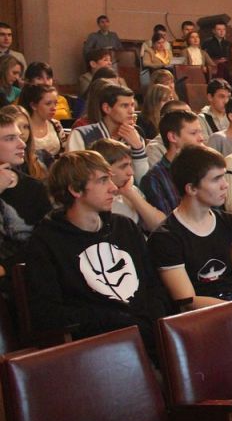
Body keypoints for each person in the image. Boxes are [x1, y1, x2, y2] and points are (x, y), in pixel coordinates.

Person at [25, 150, 169, 355]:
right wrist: (116, 320)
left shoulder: (124, 227)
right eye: (102, 181)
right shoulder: (46, 241)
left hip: (149, 336)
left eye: (110, 179)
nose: (113, 188)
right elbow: (48, 313)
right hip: (99, 349)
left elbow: (153, 284)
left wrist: (154, 321)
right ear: (75, 189)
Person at [149, 145, 232, 319]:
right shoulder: (165, 237)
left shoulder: (228, 222)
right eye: (216, 179)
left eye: (224, 176)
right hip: (205, 319)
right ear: (191, 188)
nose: (225, 185)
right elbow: (188, 300)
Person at [0, 112, 50, 276]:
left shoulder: (33, 188)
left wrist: (5, 268)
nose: (22, 144)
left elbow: (46, 241)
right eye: (10, 139)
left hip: (22, 275)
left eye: (19, 137)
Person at [67, 84, 149, 181]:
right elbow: (75, 176)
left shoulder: (135, 135)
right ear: (106, 108)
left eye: (132, 105)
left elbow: (143, 180)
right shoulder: (81, 135)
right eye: (124, 106)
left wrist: (138, 148)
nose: (131, 111)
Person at [89, 139, 166, 233]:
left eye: (130, 165)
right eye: (123, 166)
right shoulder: (95, 200)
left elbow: (162, 227)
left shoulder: (130, 190)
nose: (131, 172)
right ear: (104, 170)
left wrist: (130, 193)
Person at [140, 110, 206, 214]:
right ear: (173, 137)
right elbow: (167, 220)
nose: (201, 138)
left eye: (200, 132)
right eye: (193, 133)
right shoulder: (154, 178)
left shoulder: (205, 168)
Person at [20, 83, 67, 166]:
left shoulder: (56, 124)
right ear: (33, 106)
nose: (54, 108)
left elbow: (64, 151)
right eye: (48, 104)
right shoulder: (22, 128)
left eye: (55, 103)